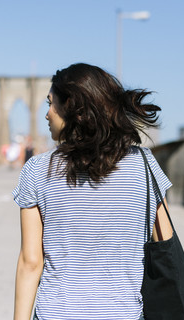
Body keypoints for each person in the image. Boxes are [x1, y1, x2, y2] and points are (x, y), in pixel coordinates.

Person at [12, 63, 173, 320]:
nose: (47, 114)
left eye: (51, 103)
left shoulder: (37, 170)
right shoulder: (144, 165)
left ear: (72, 110)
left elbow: (31, 263)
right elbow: (166, 242)